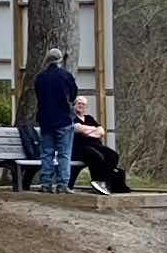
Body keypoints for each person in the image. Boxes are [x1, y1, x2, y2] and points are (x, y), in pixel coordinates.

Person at [31, 46, 78, 192]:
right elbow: (73, 95)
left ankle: (45, 184)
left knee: (47, 153)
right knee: (64, 154)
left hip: (45, 120)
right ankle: (62, 184)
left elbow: (39, 96)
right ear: (60, 61)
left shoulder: (40, 77)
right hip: (63, 120)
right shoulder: (66, 76)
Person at [71, 98, 131, 195]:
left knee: (113, 155)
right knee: (97, 157)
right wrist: (93, 129)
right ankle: (98, 181)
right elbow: (79, 129)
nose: (81, 105)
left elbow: (101, 132)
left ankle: (106, 182)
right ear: (74, 105)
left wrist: (88, 131)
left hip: (96, 144)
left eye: (83, 104)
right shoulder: (72, 118)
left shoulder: (89, 118)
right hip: (81, 147)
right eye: (79, 103)